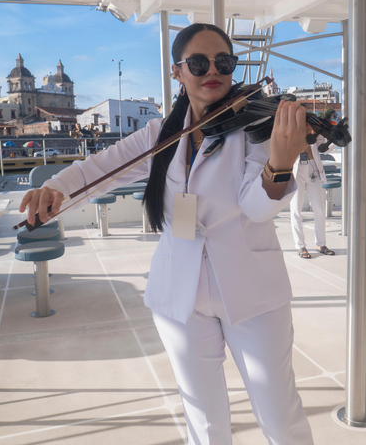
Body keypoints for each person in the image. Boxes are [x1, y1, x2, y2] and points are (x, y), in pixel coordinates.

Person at [20, 23, 314, 444]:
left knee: (280, 415)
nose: (212, 70)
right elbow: (101, 168)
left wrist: (281, 162)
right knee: (204, 420)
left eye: (224, 62)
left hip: (251, 294)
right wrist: (58, 188)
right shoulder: (161, 133)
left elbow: (256, 207)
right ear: (178, 72)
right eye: (198, 63)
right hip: (180, 293)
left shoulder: (256, 129)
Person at [290, 129, 335, 259]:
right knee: (296, 211)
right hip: (296, 170)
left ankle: (321, 244)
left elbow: (324, 149)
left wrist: (335, 141)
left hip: (313, 168)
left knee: (320, 210)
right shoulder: (291, 128)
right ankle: (300, 246)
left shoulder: (315, 129)